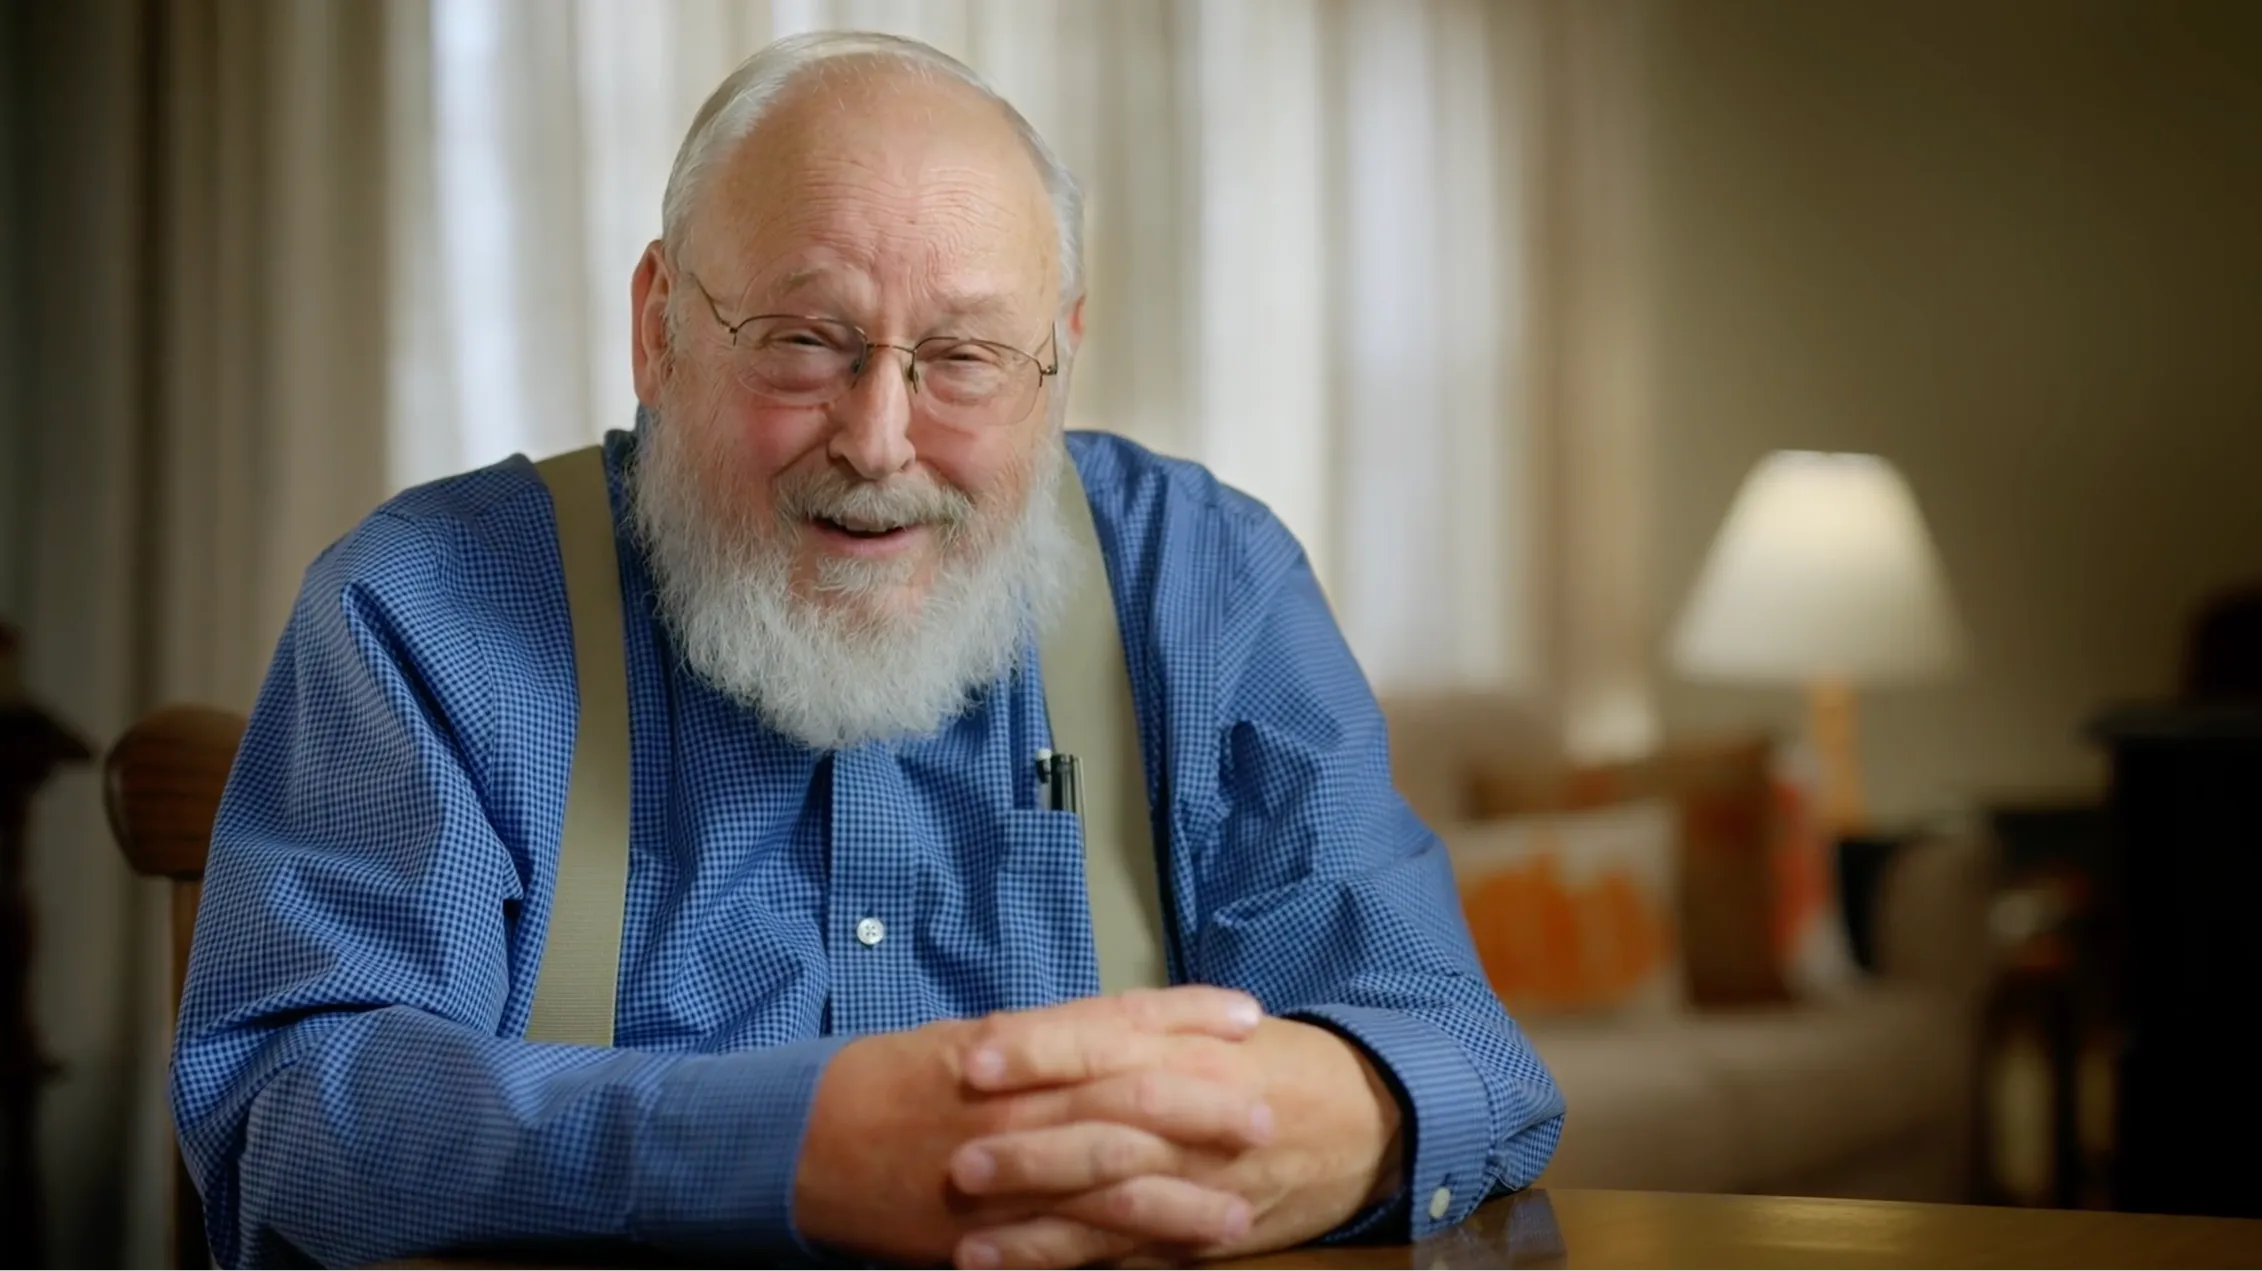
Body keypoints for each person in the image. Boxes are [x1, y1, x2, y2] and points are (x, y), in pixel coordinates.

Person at [172, 30, 1563, 1271]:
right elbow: (289, 1111)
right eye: (805, 339)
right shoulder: (424, 609)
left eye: (962, 356)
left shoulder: (1205, 584)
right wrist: (786, 1148)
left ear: (1058, 358)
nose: (879, 441)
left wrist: (1354, 1110)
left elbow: (1459, 1049)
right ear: (659, 328)